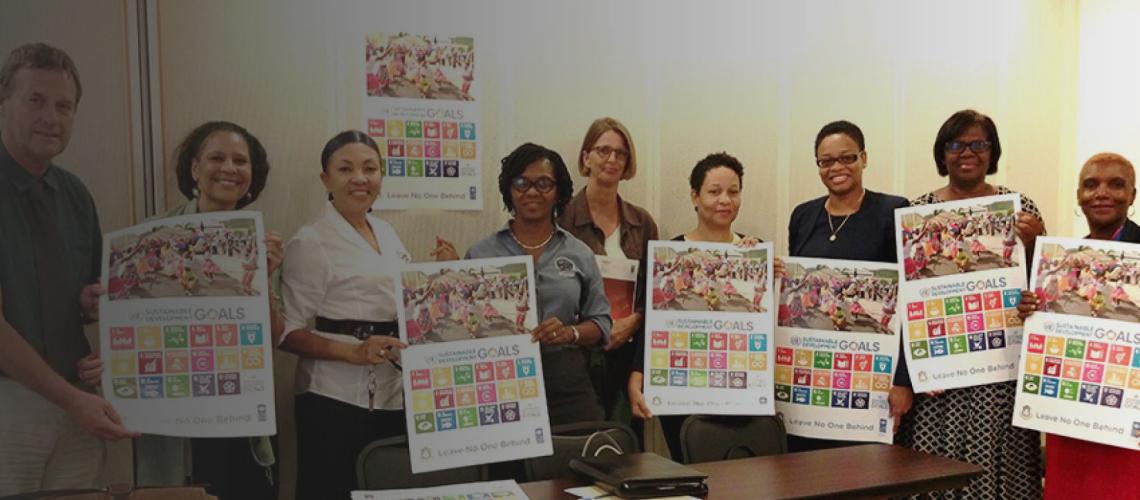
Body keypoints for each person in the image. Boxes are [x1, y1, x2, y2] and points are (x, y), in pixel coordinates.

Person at [75, 121, 284, 498]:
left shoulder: (263, 243)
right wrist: (105, 362)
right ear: (194, 168)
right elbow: (128, 321)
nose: (229, 168)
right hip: (172, 420)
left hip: (237, 411)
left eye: (241, 160)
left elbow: (273, 337)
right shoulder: (150, 236)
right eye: (216, 157)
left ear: (252, 174)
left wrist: (263, 279)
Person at [0, 42, 138, 495]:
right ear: (4, 102)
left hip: (76, 395)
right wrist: (72, 400)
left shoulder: (75, 194)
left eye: (64, 106)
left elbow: (84, 296)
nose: (51, 118)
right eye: (35, 100)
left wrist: (91, 303)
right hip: (11, 403)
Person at [896, 109, 1045, 498]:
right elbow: (906, 296)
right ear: (942, 154)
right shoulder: (919, 210)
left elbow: (1042, 290)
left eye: (979, 144)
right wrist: (916, 366)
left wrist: (1039, 241)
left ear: (991, 152)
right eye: (957, 144)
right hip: (939, 371)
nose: (968, 152)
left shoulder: (1021, 208)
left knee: (1000, 465)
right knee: (933, 467)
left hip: (1000, 368)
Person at [279, 130, 410, 499]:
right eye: (346, 168)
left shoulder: (386, 231)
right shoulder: (311, 240)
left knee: (384, 490)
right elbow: (286, 333)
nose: (360, 178)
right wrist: (352, 352)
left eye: (370, 168)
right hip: (332, 399)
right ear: (326, 179)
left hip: (391, 391)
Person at [461, 143, 612, 425]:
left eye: (543, 183)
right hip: (499, 381)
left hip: (566, 381)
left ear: (558, 192)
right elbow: (464, 326)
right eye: (521, 183)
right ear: (509, 189)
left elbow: (602, 323)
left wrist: (570, 333)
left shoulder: (579, 253)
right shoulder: (481, 254)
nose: (532, 192)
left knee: (580, 459)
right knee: (508, 468)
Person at [1018, 152, 1140, 500]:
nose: (1102, 193)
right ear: (1078, 196)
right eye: (1091, 185)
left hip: (1127, 419)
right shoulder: (1064, 260)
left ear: (1132, 195)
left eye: (1116, 185)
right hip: (1071, 414)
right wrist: (1032, 308)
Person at [785, 120, 913, 450]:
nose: (836, 168)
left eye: (847, 158)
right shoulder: (803, 216)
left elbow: (911, 299)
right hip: (813, 377)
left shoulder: (894, 211)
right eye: (826, 161)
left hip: (873, 375)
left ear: (864, 158)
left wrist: (902, 380)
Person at [628, 152, 764, 460]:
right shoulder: (671, 253)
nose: (724, 200)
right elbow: (653, 320)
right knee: (692, 472)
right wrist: (637, 376)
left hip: (739, 386)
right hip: (683, 387)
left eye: (733, 191)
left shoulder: (755, 251)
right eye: (714, 192)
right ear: (695, 196)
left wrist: (772, 271)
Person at [558, 117, 659, 427]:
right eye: (604, 150)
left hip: (626, 361)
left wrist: (636, 320)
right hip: (575, 359)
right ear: (586, 157)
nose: (612, 159)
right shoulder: (561, 219)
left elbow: (657, 294)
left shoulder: (642, 223)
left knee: (624, 453)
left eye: (621, 153)